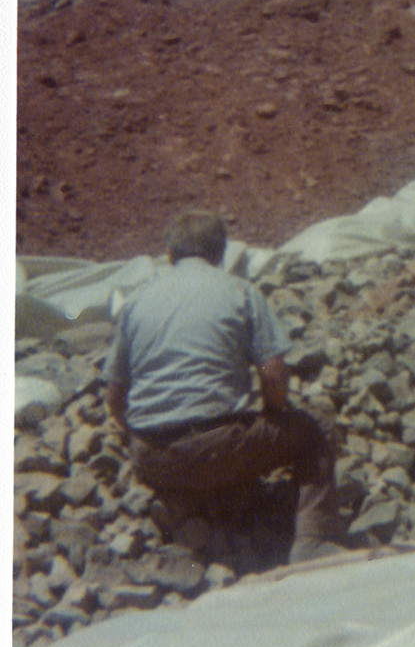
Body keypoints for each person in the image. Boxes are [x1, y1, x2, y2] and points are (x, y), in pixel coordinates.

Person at [104, 211, 342, 564]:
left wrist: (150, 435)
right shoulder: (241, 292)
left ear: (170, 254)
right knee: (316, 427)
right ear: (221, 252)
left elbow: (115, 398)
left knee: (199, 454)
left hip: (153, 458)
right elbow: (274, 376)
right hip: (220, 449)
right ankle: (311, 542)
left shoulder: (135, 303)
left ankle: (194, 506)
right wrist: (273, 416)